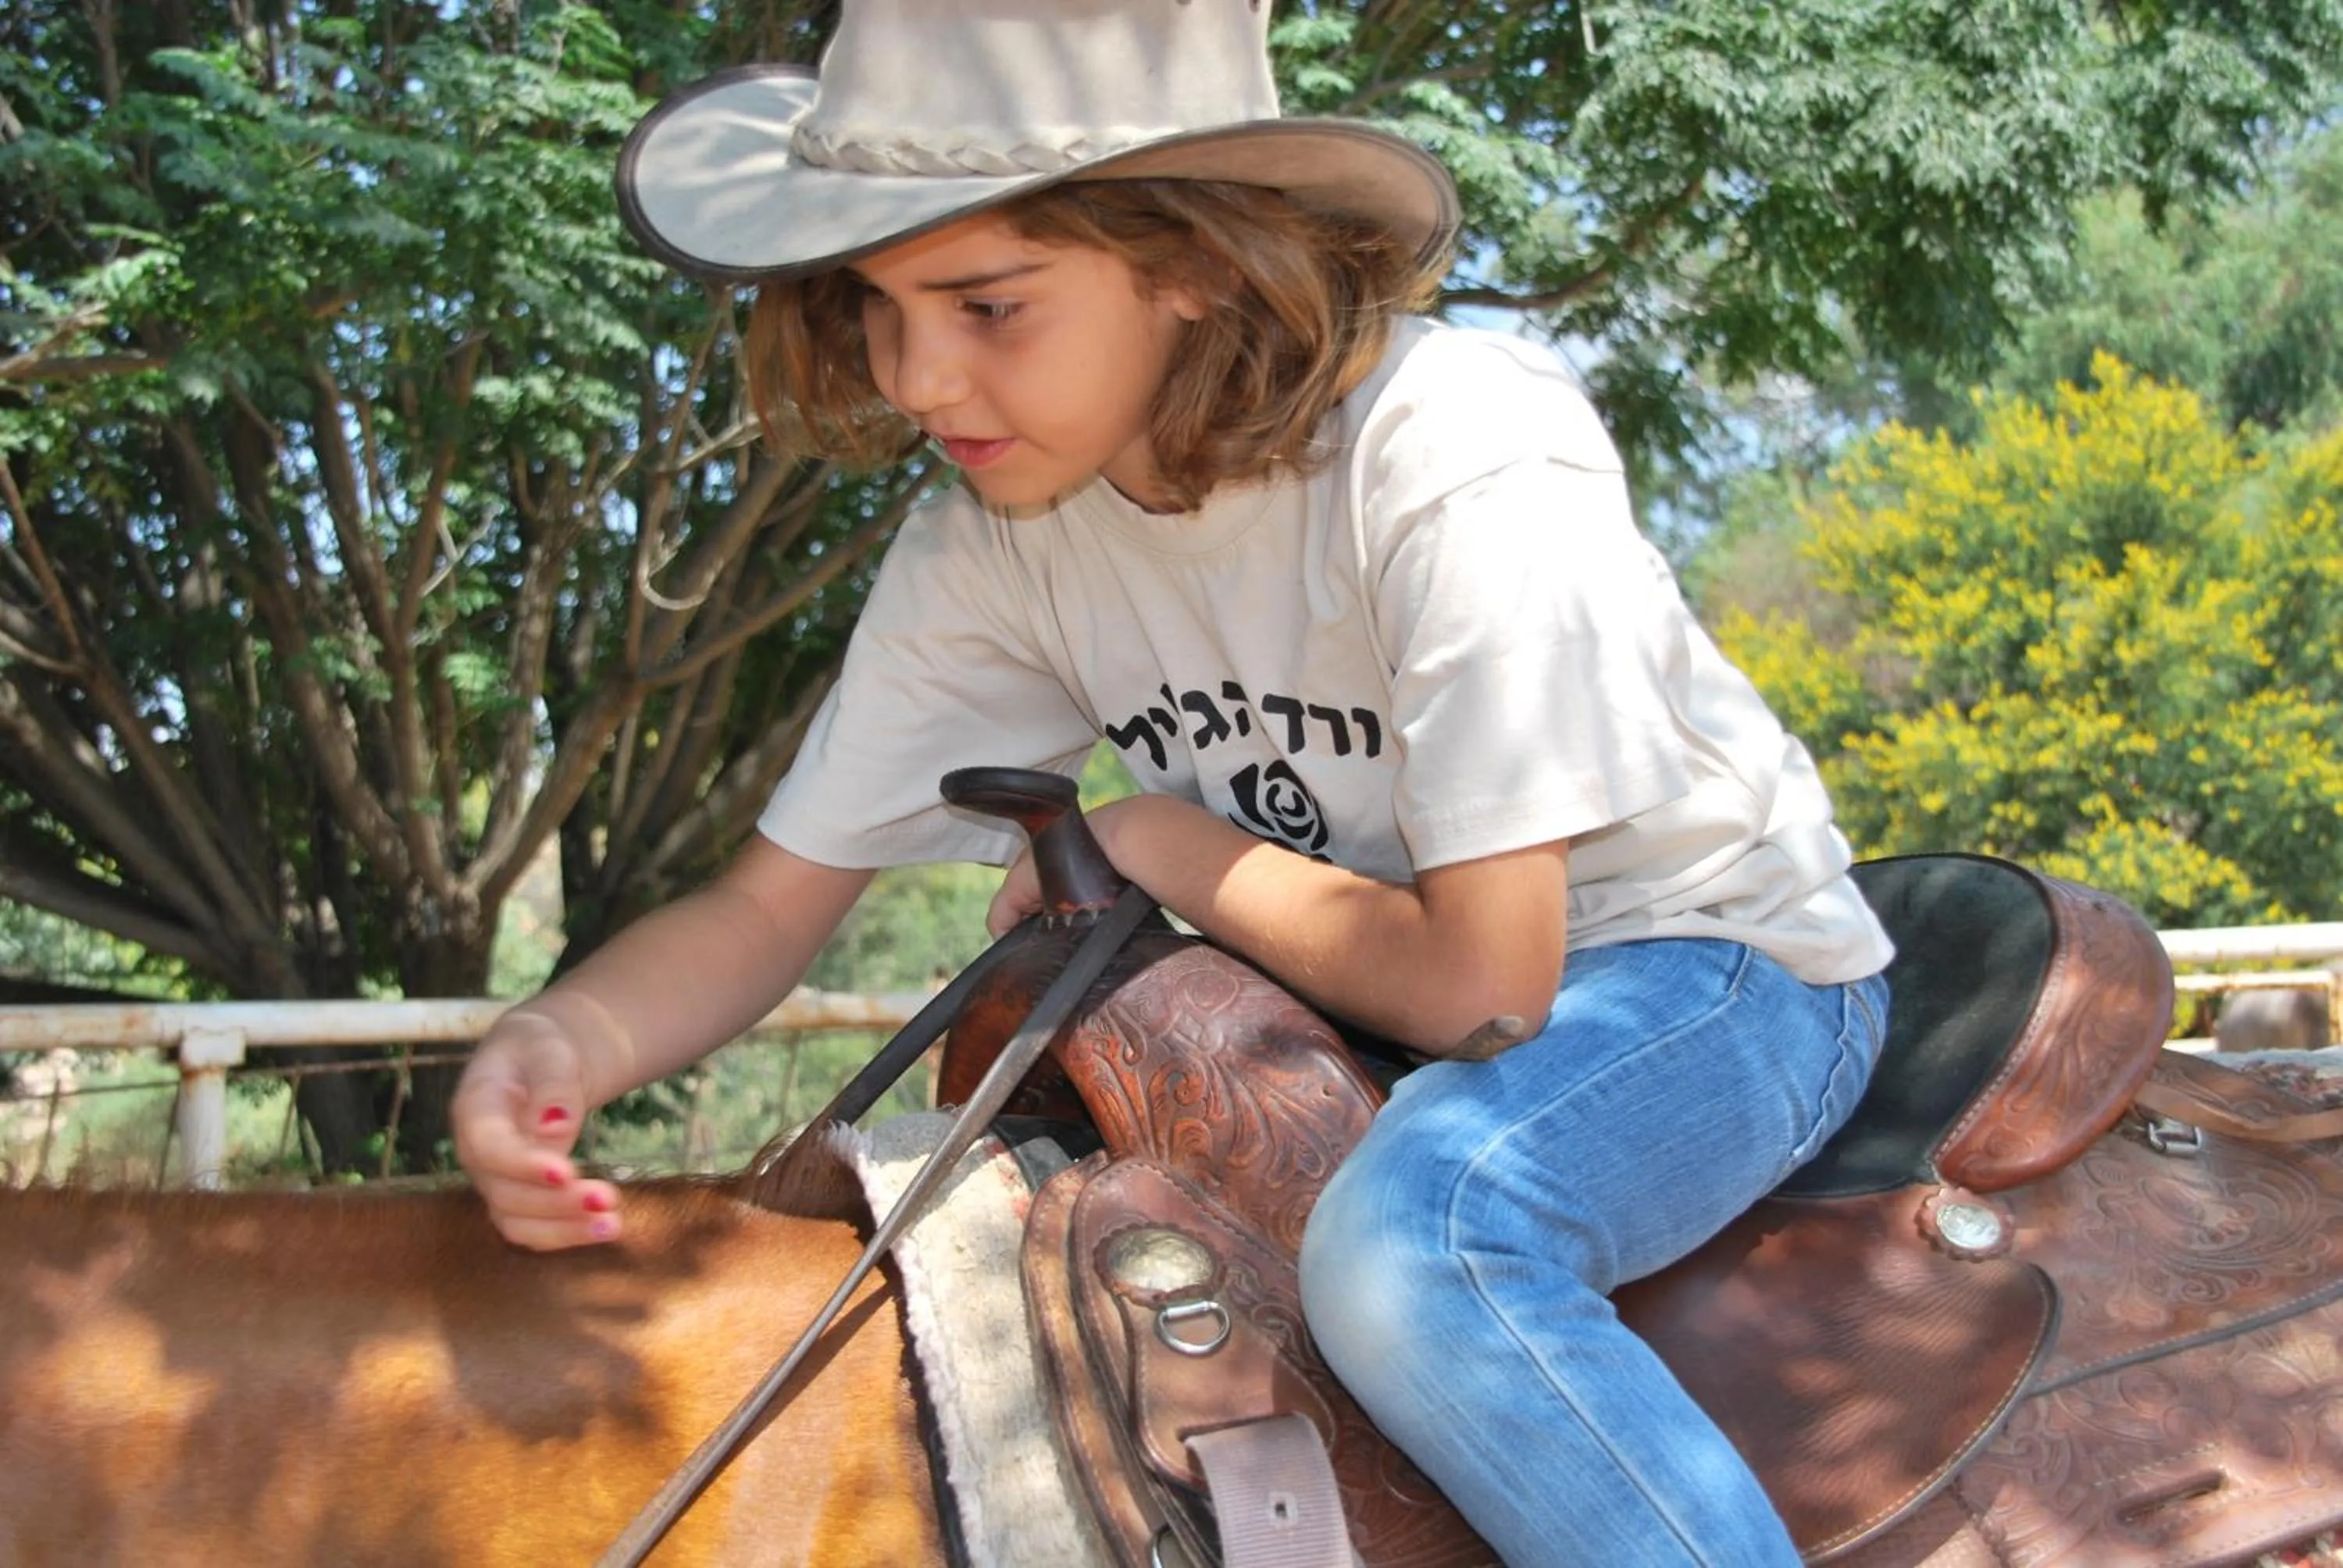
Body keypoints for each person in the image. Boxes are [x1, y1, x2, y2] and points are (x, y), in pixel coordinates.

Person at [452, 3, 1895, 1563]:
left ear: (1194, 256)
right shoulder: (999, 533)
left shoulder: (1456, 446)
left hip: (1705, 962)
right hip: (1357, 976)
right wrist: (556, 1039)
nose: (921, 375)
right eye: (877, 306)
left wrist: (1154, 835)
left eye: (989, 304)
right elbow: (766, 906)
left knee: (1424, 1245)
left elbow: (1489, 987)